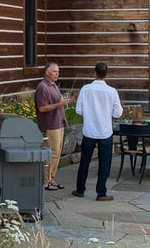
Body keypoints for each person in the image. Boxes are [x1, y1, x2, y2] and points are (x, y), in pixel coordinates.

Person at [74, 61, 123, 201]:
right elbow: (118, 113)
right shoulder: (112, 91)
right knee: (104, 162)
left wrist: (90, 113)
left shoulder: (85, 89)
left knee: (84, 161)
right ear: (106, 74)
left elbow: (78, 110)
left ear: (94, 73)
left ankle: (80, 189)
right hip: (105, 131)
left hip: (89, 130)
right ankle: (101, 192)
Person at [34, 61, 73, 192]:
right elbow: (42, 108)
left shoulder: (54, 86)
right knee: (52, 152)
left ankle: (52, 179)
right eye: (55, 72)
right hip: (50, 125)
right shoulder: (42, 87)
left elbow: (60, 102)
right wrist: (59, 104)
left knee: (57, 153)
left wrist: (71, 99)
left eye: (58, 72)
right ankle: (46, 181)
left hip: (59, 122)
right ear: (47, 72)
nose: (57, 74)